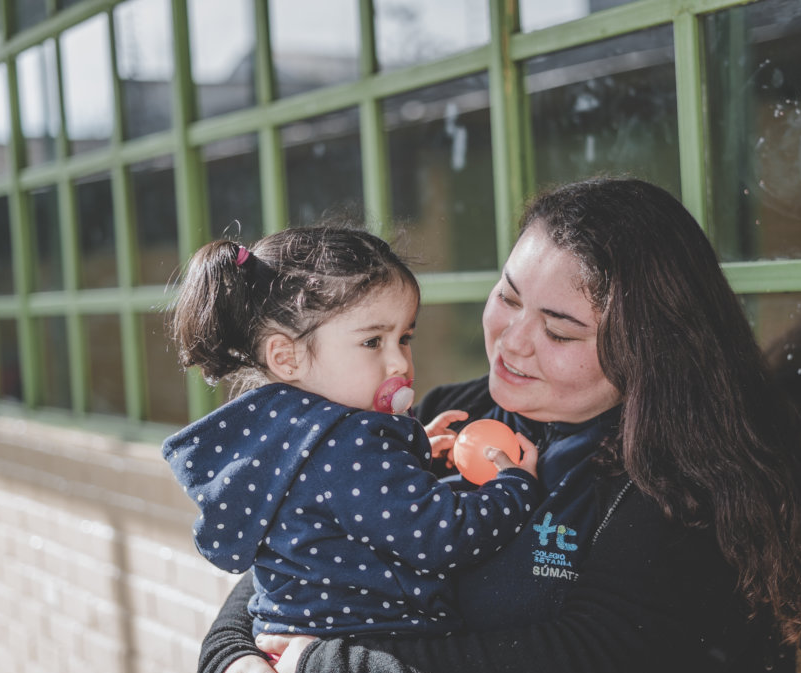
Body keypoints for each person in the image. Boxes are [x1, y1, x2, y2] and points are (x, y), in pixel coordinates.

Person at [197, 178, 801, 673]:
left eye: (559, 329)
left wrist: (328, 666)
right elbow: (305, 547)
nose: (511, 342)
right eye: (507, 297)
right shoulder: (449, 410)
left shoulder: (675, 484)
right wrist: (233, 654)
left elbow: (582, 657)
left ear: (648, 347)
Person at [162, 223, 541, 641]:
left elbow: (341, 505)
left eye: (405, 337)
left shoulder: (278, 432)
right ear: (286, 357)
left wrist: (411, 455)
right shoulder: (352, 444)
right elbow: (440, 535)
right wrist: (513, 490)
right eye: (372, 342)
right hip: (370, 649)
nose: (399, 363)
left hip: (285, 638)